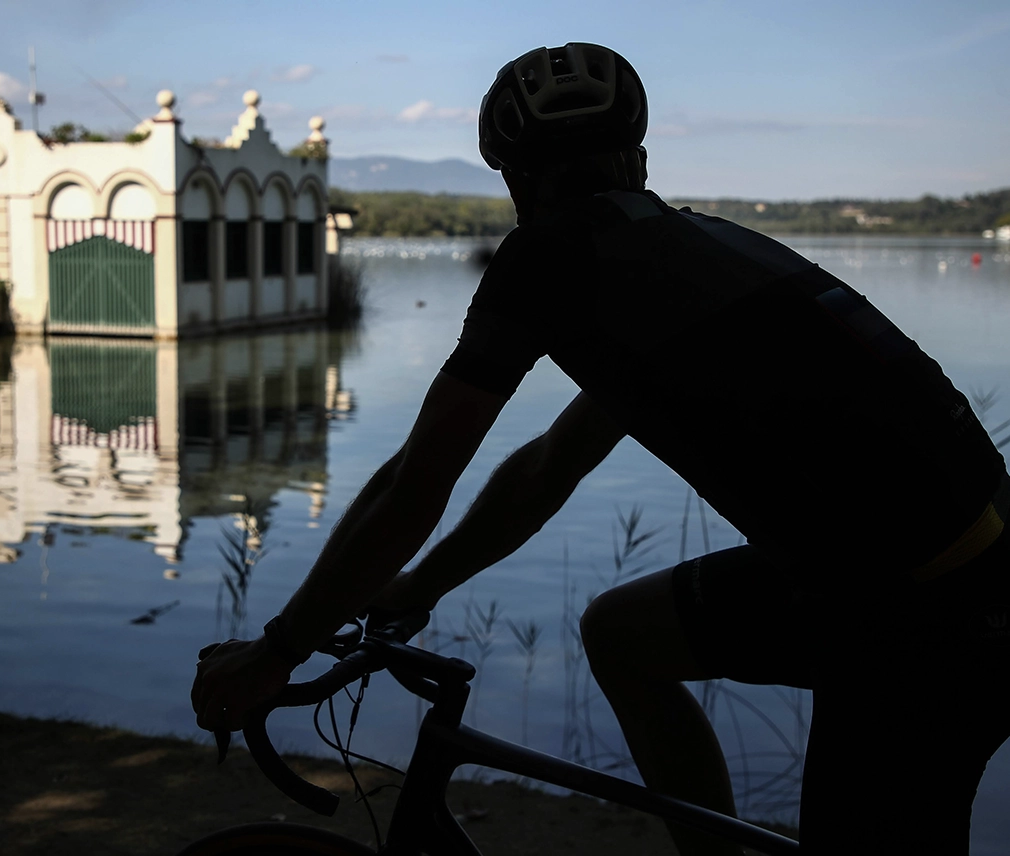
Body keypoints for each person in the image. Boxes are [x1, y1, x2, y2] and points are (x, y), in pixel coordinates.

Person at [192, 43, 1010, 854]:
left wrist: (279, 650)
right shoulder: (697, 246)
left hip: (921, 620)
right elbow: (556, 458)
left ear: (512, 179)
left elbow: (415, 485)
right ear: (640, 159)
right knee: (623, 634)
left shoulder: (548, 256)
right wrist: (421, 584)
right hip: (949, 568)